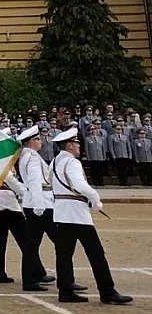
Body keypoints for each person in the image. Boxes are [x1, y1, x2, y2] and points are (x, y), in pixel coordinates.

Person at [48, 128, 131, 304]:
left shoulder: (54, 162)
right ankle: (107, 292)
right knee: (96, 254)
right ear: (69, 145)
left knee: (64, 255)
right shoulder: (72, 163)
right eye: (76, 143)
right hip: (78, 215)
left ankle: (65, 291)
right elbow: (81, 186)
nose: (79, 146)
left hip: (61, 213)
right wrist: (96, 200)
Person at [16, 126, 56, 292]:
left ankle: (29, 280)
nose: (41, 142)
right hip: (40, 204)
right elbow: (35, 182)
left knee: (31, 244)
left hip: (32, 203)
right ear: (31, 142)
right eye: (38, 139)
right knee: (60, 242)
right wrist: (40, 205)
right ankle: (67, 280)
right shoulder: (32, 158)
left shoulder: (28, 156)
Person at [0, 137, 26, 285]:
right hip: (7, 202)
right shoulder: (3, 162)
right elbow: (10, 180)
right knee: (25, 238)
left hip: (0, 202)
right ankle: (36, 270)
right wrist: (25, 192)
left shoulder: (0, 160)